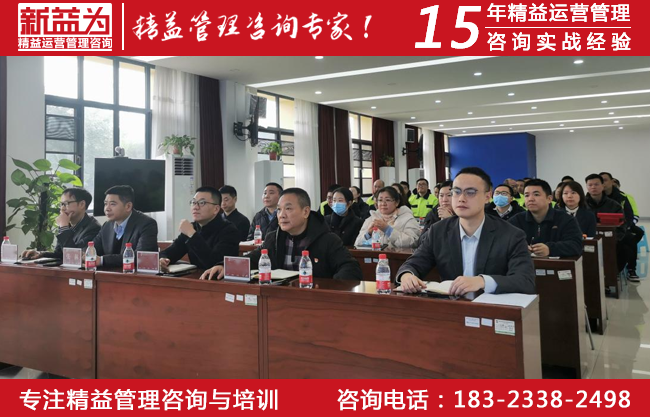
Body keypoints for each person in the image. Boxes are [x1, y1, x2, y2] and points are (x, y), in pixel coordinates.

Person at [397, 167, 535, 296]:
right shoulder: (438, 231)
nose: (461, 198)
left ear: (488, 196)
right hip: (452, 306)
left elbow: (525, 280)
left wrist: (482, 281)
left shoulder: (511, 235)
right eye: (456, 192)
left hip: (492, 308)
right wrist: (407, 276)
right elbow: (413, 264)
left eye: (470, 192)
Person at [200, 188, 362, 280]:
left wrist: (330, 289)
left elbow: (350, 267)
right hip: (281, 299)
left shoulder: (327, 239)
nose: (281, 215)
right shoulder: (273, 237)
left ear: (306, 211)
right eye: (279, 209)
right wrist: (225, 266)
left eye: (288, 208)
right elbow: (255, 258)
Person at [159, 187, 240, 271]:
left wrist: (192, 234)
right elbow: (168, 253)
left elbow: (215, 263)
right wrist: (162, 259)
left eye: (202, 203)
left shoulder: (229, 231)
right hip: (195, 277)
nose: (195, 207)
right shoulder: (192, 227)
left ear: (216, 209)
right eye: (193, 202)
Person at [508, 179, 583, 257]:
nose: (530, 199)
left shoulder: (566, 219)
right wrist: (519, 248)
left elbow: (576, 245)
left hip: (556, 264)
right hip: (524, 263)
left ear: (549, 199)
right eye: (527, 195)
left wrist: (550, 249)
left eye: (536, 194)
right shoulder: (516, 221)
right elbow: (505, 243)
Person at [21, 188, 100, 260]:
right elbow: (60, 253)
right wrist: (41, 254)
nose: (62, 208)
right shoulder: (67, 223)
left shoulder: (93, 228)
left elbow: (74, 257)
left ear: (82, 204)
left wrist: (64, 227)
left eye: (66, 203)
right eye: (61, 204)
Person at [92, 185, 158, 267]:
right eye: (105, 204)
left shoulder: (147, 224)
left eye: (112, 204)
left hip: (135, 274)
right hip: (110, 273)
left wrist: (102, 260)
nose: (107, 209)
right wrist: (84, 254)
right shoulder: (107, 226)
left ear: (128, 206)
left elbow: (140, 257)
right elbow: (92, 248)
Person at [585, 174, 632, 279]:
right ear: (586, 187)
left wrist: (615, 239)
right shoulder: (581, 205)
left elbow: (622, 224)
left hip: (610, 239)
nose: (593, 187)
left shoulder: (614, 205)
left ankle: (613, 274)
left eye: (596, 184)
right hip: (587, 239)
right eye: (590, 185)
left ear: (603, 186)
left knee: (624, 247)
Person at [355, 186, 421, 249]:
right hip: (374, 255)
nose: (383, 204)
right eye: (380, 200)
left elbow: (413, 243)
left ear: (397, 202)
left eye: (388, 200)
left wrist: (388, 230)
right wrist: (368, 234)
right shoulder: (371, 219)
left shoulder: (408, 219)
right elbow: (357, 244)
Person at [611, 177, 644, 280]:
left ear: (618, 186)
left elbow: (634, 214)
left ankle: (631, 268)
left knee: (637, 234)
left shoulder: (626, 197)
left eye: (615, 185)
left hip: (627, 224)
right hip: (611, 227)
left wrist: (628, 226)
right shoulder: (603, 198)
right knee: (628, 241)